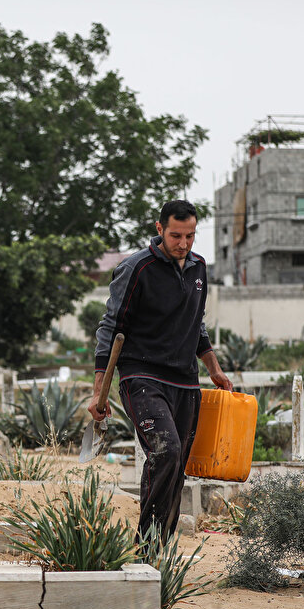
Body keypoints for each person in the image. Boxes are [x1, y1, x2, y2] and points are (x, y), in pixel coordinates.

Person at [88, 199, 232, 548]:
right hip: (142, 377)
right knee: (164, 451)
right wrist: (99, 391)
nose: (183, 244)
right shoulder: (136, 268)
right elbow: (111, 326)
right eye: (175, 235)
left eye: (190, 236)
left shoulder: (198, 267)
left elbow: (197, 324)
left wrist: (214, 368)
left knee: (177, 465)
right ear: (159, 229)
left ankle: (158, 555)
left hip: (185, 380)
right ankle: (146, 547)